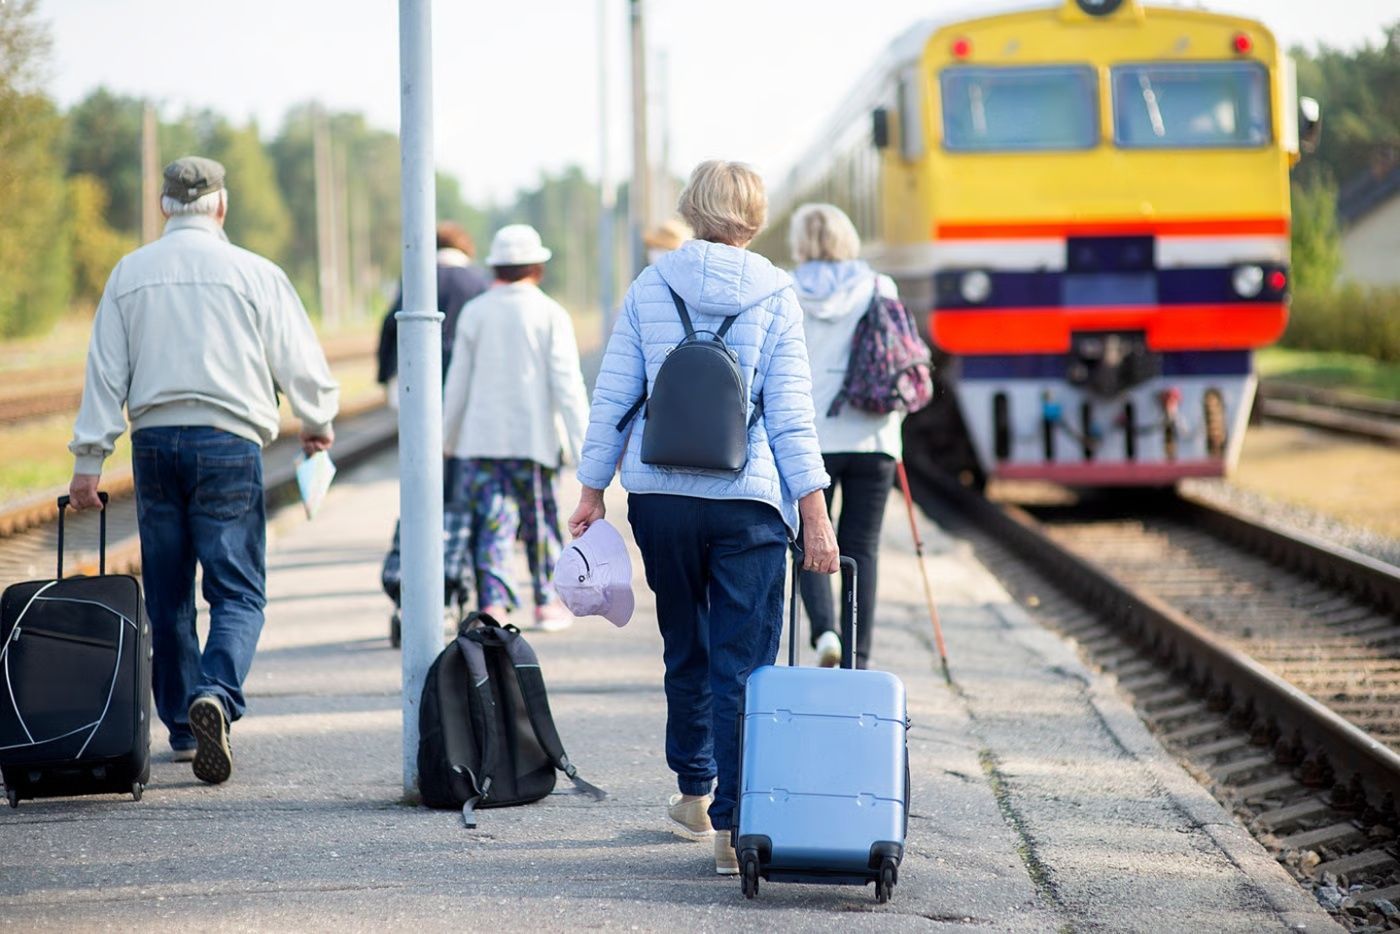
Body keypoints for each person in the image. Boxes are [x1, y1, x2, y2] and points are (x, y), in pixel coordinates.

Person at [569, 160, 838, 876]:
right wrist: (814, 513)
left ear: (691, 210)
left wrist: (593, 487)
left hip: (661, 498)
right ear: (755, 216)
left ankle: (694, 790)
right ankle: (734, 825)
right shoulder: (777, 295)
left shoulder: (651, 285)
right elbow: (790, 416)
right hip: (748, 501)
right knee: (743, 664)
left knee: (685, 641)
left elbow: (615, 398)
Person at [67, 156, 339, 785]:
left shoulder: (129, 274)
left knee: (167, 593)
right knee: (237, 590)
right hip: (229, 442)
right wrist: (317, 421)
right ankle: (216, 691)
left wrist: (88, 462)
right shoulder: (255, 273)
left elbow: (105, 372)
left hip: (156, 445)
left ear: (165, 207)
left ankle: (185, 730)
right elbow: (299, 357)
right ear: (221, 205)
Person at [442, 224, 589, 632]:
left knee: (491, 524)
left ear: (496, 269)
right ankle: (547, 602)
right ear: (538, 269)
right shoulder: (550, 313)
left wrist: (446, 437)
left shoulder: (476, 311)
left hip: (481, 441)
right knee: (540, 519)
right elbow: (567, 384)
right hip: (533, 440)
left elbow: (458, 382)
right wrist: (585, 449)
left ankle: (494, 604)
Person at [790, 204, 903, 671]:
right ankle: (859, 655)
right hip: (872, 436)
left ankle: (825, 633)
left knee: (807, 540)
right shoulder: (880, 287)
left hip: (808, 436)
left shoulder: (786, 289)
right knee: (863, 548)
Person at [375, 221, 491, 400]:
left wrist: (384, 373)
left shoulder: (414, 278)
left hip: (421, 368)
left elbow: (391, 323)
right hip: (467, 371)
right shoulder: (479, 280)